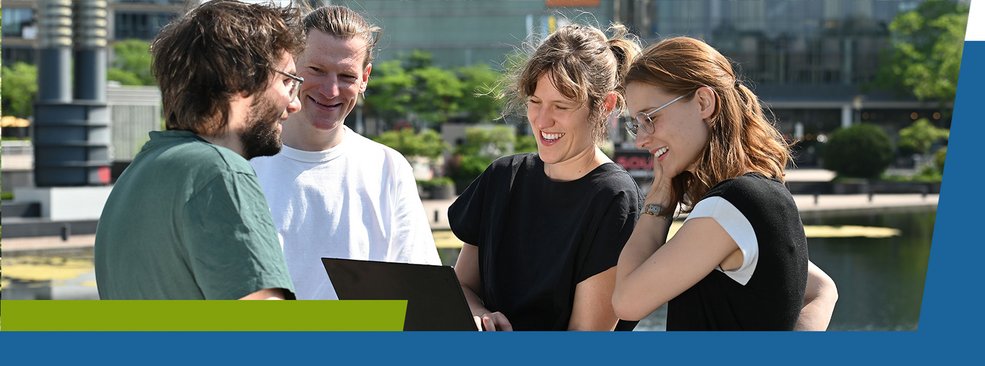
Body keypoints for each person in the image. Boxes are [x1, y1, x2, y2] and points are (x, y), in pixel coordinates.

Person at [612, 36, 838, 330]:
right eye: (635, 124)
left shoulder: (729, 208)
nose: (641, 139)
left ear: (704, 102)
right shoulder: (763, 195)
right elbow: (823, 289)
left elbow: (626, 303)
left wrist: (659, 199)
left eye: (650, 118)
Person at [94, 0, 304, 300]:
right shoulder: (220, 171)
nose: (294, 104)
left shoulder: (137, 174)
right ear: (242, 77)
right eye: (288, 82)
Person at [449, 24, 644, 331]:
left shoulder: (614, 197)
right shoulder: (502, 177)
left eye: (561, 106)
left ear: (604, 106)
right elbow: (461, 287)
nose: (541, 121)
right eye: (535, 102)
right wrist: (478, 314)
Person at [250, 5, 440, 300]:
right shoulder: (241, 162)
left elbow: (421, 294)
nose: (331, 90)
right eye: (317, 70)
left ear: (365, 77)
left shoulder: (388, 168)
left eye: (346, 76)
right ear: (290, 66)